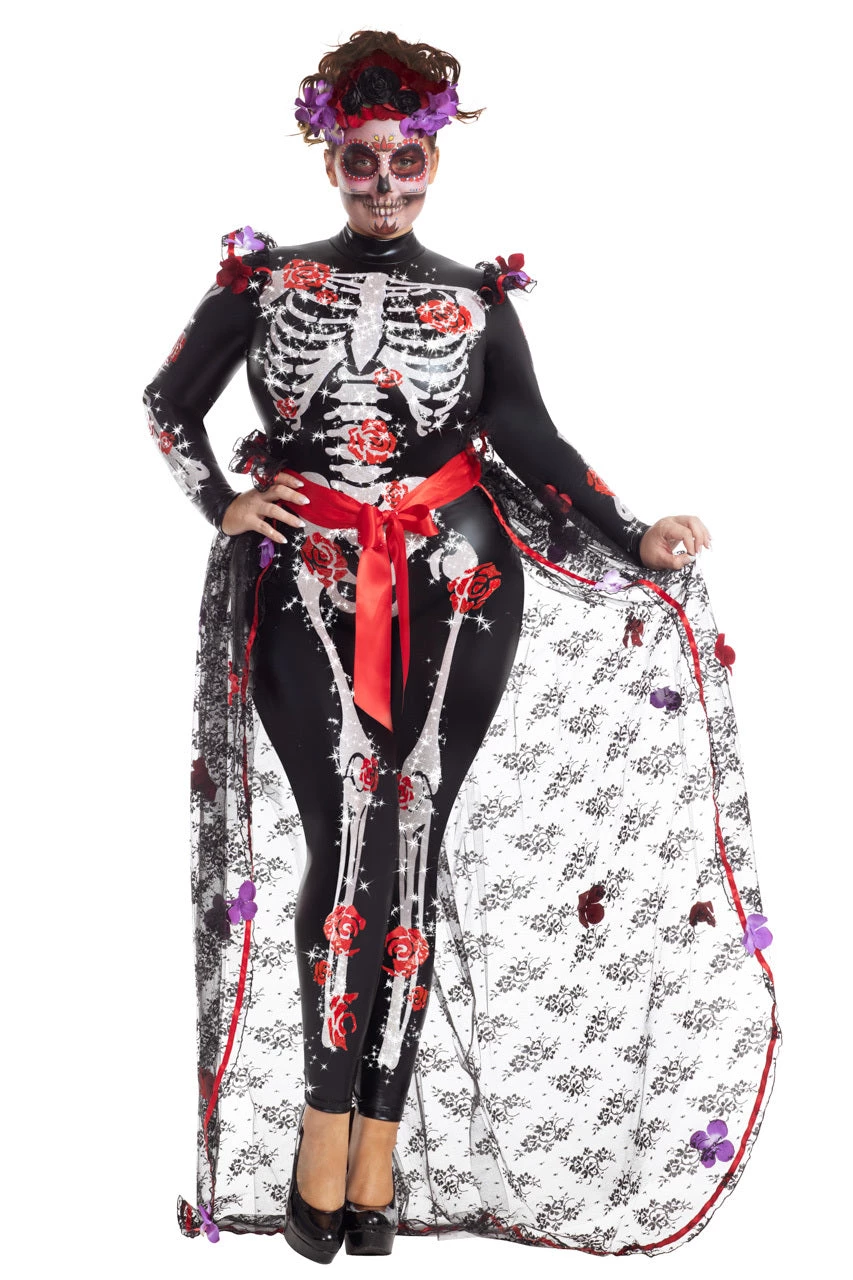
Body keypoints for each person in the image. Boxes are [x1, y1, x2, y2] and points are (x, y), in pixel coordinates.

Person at [144, 28, 779, 1263]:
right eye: (360, 159)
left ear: (434, 160)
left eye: (407, 161)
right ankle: (322, 1125)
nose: (383, 184)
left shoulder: (474, 299)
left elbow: (529, 437)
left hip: (460, 580)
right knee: (345, 833)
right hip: (306, 577)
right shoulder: (265, 283)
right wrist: (222, 500)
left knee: (415, 834)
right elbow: (169, 403)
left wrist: (633, 531)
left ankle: (374, 1148)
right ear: (328, 156)